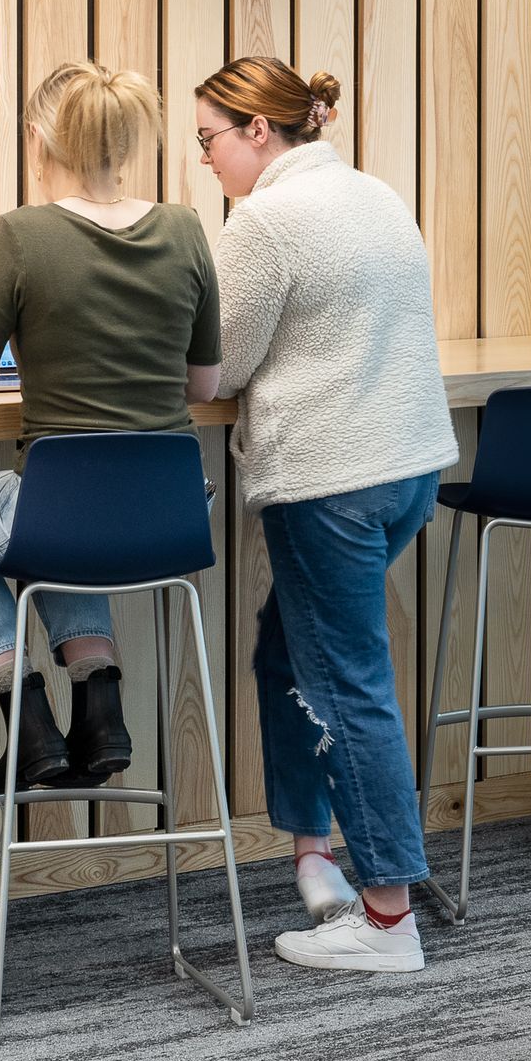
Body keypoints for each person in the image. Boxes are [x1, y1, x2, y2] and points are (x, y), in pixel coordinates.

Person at [195, 59, 456, 975]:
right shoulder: (374, 194)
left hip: (330, 480)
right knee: (288, 652)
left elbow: (219, 370)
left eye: (208, 141)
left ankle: (388, 919)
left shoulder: (265, 219)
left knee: (346, 681)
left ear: (258, 132)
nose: (207, 161)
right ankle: (315, 856)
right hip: (407, 468)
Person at [0, 62, 221, 796]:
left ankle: (26, 716)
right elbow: (203, 385)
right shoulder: (184, 227)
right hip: (172, 516)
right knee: (68, 516)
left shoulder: (22, 235)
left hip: (62, 517)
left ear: (39, 141)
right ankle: (100, 707)